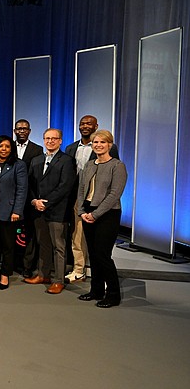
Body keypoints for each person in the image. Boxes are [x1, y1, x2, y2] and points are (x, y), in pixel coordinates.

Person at [65, 115, 120, 283]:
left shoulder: (115, 159)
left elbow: (113, 186)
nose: (85, 126)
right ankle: (79, 270)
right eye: (82, 123)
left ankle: (105, 282)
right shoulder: (71, 148)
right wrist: (80, 206)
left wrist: (97, 211)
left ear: (96, 126)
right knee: (77, 236)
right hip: (79, 200)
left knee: (101, 248)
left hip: (104, 204)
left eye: (89, 123)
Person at [77, 130, 127, 308]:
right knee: (93, 254)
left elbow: (114, 194)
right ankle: (96, 291)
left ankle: (113, 294)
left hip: (108, 214)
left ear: (110, 145)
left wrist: (95, 214)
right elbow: (82, 190)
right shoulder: (89, 165)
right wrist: (82, 211)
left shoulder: (117, 166)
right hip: (87, 211)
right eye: (95, 142)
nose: (98, 145)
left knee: (103, 255)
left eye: (102, 142)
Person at [24, 128, 75, 294]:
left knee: (58, 247)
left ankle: (58, 280)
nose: (50, 141)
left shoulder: (67, 160)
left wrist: (46, 203)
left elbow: (65, 186)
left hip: (57, 211)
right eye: (47, 138)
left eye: (54, 138)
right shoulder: (36, 160)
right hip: (38, 210)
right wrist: (34, 201)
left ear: (60, 141)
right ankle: (43, 275)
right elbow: (30, 184)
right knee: (43, 244)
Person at [0, 135, 28, 290]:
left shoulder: (18, 165)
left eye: (7, 146)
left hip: (9, 212)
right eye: (1, 146)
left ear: (11, 149)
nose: (4, 149)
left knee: (8, 245)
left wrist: (17, 210)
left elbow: (22, 189)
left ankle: (5, 274)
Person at [13, 119, 44, 278]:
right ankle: (11, 262)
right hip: (11, 198)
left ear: (30, 131)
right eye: (19, 129)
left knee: (29, 234)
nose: (22, 131)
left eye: (25, 128)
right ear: (15, 131)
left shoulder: (37, 149)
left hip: (30, 197)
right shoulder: (7, 147)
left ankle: (27, 265)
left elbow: (37, 177)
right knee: (10, 232)